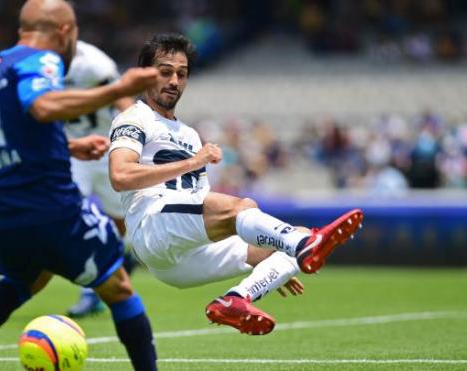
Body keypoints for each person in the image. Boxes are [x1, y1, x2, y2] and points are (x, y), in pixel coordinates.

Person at [0, 1, 159, 370]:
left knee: (28, 278)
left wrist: (68, 145)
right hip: (47, 204)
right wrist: (118, 88)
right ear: (65, 32)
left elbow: (8, 134)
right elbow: (42, 106)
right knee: (119, 286)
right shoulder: (42, 60)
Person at [108, 33, 363, 335]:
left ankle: (238, 298)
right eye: (165, 72)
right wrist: (193, 162)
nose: (174, 81)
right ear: (145, 75)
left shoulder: (188, 134)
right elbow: (120, 177)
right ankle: (305, 247)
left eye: (182, 73)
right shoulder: (134, 118)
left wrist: (270, 267)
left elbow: (197, 203)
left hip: (179, 261)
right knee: (247, 210)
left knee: (287, 242)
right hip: (153, 228)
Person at [63, 39, 136, 318]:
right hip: (72, 150)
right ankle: (90, 289)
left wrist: (138, 135)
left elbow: (123, 99)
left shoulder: (94, 63)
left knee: (120, 224)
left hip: (107, 147)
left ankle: (117, 261)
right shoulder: (38, 63)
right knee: (70, 213)